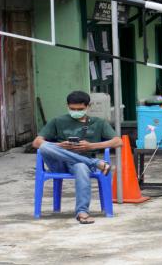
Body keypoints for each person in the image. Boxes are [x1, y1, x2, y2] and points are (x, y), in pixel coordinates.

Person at [32, 91, 122, 224]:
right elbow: (36, 142)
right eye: (72, 109)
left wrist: (91, 146)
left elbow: (118, 142)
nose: (76, 111)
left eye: (80, 109)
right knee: (44, 147)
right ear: (67, 106)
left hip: (82, 165)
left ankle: (82, 212)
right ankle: (95, 162)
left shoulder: (98, 123)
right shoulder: (57, 121)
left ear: (88, 106)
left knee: (81, 166)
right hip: (60, 162)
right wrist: (61, 145)